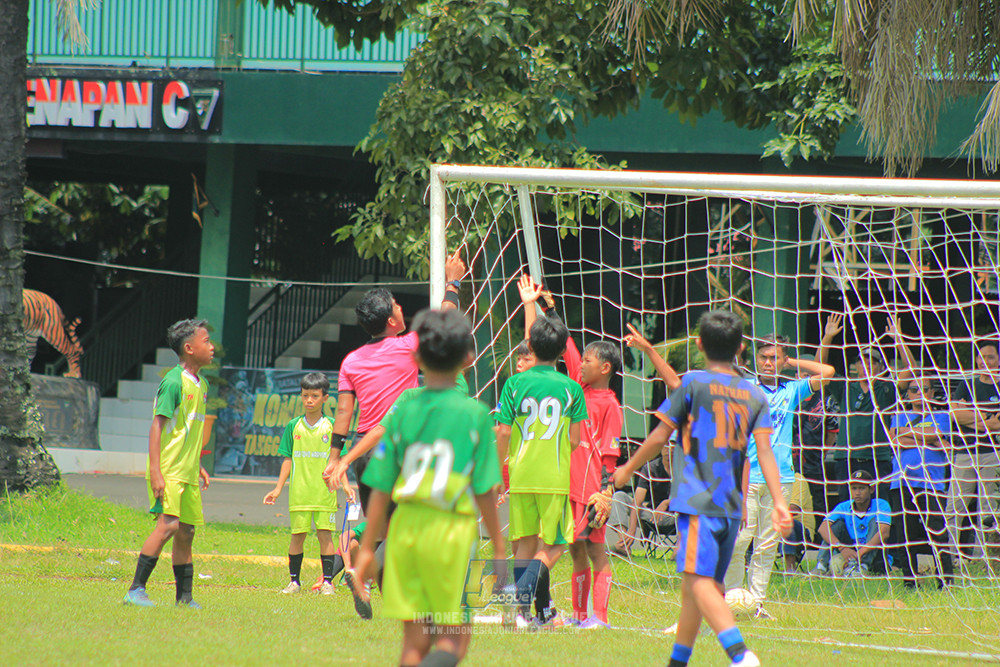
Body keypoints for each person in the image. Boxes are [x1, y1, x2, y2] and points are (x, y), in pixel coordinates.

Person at [612, 309, 791, 667]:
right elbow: (764, 452)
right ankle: (678, 661)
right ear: (741, 348)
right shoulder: (755, 395)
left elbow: (659, 437)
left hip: (698, 502)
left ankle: (740, 654)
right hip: (732, 506)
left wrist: (627, 469)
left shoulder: (692, 385)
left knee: (698, 583)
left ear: (699, 344)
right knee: (698, 586)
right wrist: (779, 502)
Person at [348, 309, 504, 667]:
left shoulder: (403, 410)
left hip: (405, 533)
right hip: (451, 533)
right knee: (453, 641)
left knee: (414, 643)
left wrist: (368, 548)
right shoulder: (475, 415)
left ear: (416, 357)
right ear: (468, 358)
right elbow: (484, 490)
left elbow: (380, 486)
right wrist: (498, 545)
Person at [324, 249, 466, 513]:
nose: (401, 308)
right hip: (399, 444)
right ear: (391, 320)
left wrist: (335, 458)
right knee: (407, 526)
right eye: (397, 305)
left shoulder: (350, 361)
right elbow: (445, 320)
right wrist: (452, 283)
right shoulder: (408, 346)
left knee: (378, 528)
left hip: (365, 451)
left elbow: (344, 412)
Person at [723, 333, 834, 615]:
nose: (768, 363)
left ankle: (757, 604)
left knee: (766, 546)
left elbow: (827, 372)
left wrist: (790, 361)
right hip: (746, 476)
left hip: (781, 479)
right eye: (764, 357)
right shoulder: (745, 387)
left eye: (774, 358)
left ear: (783, 361)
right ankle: (731, 600)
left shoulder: (792, 390)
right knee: (739, 542)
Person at [496, 312, 588, 627]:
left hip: (520, 474)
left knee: (524, 543)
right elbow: (574, 439)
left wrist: (497, 472)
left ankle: (521, 614)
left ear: (531, 347)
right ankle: (517, 595)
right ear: (563, 351)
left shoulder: (513, 384)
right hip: (553, 476)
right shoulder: (572, 389)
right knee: (557, 544)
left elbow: (503, 432)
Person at [122, 319, 213, 607]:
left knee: (187, 532)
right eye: (206, 341)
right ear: (189, 348)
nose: (212, 347)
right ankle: (135, 590)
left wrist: (197, 464)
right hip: (169, 471)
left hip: (187, 472)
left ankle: (184, 598)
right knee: (168, 526)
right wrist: (155, 471)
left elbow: (186, 430)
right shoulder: (173, 382)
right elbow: (157, 426)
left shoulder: (202, 384)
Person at [263, 372, 345, 595]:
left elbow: (339, 461)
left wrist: (346, 486)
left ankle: (327, 582)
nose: (309, 400)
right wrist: (278, 488)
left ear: (325, 398)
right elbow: (287, 459)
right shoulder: (294, 426)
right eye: (305, 395)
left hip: (324, 493)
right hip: (299, 493)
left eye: (315, 396)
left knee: (325, 535)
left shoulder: (332, 426)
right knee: (297, 536)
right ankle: (294, 583)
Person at [825, 315, 913, 501]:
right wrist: (828, 337)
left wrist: (898, 340)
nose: (866, 366)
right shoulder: (845, 386)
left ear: (880, 367)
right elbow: (821, 369)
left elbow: (911, 369)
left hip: (878, 459)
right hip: (847, 458)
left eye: (872, 362)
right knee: (846, 506)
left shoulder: (887, 388)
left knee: (879, 506)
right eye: (862, 362)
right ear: (855, 365)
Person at [888, 374, 954, 588]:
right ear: (907, 394)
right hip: (901, 481)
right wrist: (928, 438)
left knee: (937, 532)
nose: (919, 393)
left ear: (932, 392)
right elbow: (895, 440)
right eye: (914, 389)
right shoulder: (899, 415)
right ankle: (910, 582)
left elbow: (936, 435)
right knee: (904, 534)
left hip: (932, 482)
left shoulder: (942, 415)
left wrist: (907, 433)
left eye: (924, 389)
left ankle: (946, 582)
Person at [947, 341, 1000, 557]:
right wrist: (987, 418)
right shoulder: (966, 385)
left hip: (992, 454)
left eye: (990, 357)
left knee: (987, 509)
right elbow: (955, 415)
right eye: (981, 357)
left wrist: (971, 414)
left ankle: (982, 558)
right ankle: (950, 556)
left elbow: (998, 425)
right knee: (954, 508)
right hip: (964, 453)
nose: (985, 361)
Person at [814, 470, 892, 576]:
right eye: (854, 488)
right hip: (850, 550)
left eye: (862, 488)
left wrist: (859, 554)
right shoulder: (844, 506)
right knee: (835, 525)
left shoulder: (881, 505)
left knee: (876, 523)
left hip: (874, 555)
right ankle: (821, 567)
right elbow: (822, 528)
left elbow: (884, 533)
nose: (857, 493)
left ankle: (863, 567)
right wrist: (842, 548)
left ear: (871, 489)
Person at [612, 444, 674, 556]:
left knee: (692, 510)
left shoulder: (687, 468)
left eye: (673, 444)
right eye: (666, 444)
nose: (669, 448)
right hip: (652, 516)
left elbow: (693, 498)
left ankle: (680, 551)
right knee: (619, 496)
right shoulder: (650, 468)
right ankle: (624, 543)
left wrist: (667, 503)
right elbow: (637, 501)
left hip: (676, 517)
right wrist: (632, 530)